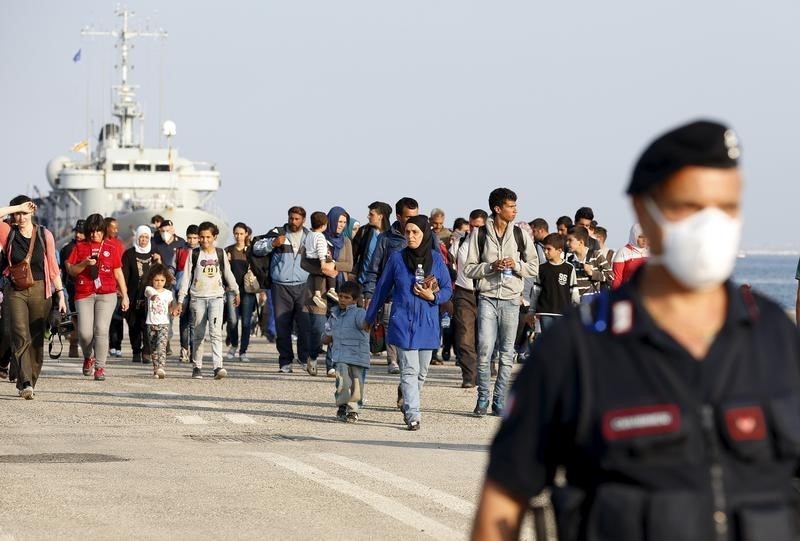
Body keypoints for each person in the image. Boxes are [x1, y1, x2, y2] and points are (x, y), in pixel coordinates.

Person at [472, 119, 800, 540]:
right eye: (689, 206)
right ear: (645, 210)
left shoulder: (771, 335)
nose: (711, 223)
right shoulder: (580, 348)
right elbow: (503, 500)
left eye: (727, 206)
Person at [364, 215, 452, 430]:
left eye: (416, 233)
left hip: (428, 323)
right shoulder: (396, 259)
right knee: (409, 371)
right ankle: (413, 415)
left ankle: (408, 398)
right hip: (402, 322)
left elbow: (448, 289)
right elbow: (382, 289)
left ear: (425, 234)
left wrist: (434, 298)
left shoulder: (436, 259)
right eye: (408, 232)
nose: (411, 236)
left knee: (422, 372)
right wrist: (369, 317)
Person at [463, 188, 539, 417]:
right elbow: (468, 269)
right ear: (498, 209)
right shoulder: (479, 235)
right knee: (485, 350)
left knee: (507, 353)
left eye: (515, 206)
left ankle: (499, 400)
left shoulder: (521, 235)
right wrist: (490, 267)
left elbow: (534, 267)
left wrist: (515, 265)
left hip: (511, 299)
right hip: (486, 298)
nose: (515, 210)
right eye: (511, 206)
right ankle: (482, 398)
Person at [0, 197, 66, 398]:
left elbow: (53, 267)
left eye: (24, 213)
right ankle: (25, 382)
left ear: (32, 213)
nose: (19, 217)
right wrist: (17, 207)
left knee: (37, 338)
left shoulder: (45, 234)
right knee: (20, 334)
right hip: (15, 290)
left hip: (40, 289)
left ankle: (30, 379)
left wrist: (60, 294)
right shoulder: (8, 233)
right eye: (17, 214)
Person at [65, 213, 129, 381]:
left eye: (98, 231)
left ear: (103, 231)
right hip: (84, 293)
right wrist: (84, 263)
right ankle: (88, 357)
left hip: (107, 293)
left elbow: (118, 271)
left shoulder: (111, 247)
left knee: (101, 330)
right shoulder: (79, 247)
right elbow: (71, 270)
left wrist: (125, 294)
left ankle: (100, 367)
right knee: (85, 333)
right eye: (91, 231)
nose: (94, 234)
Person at [363, 197, 420, 375]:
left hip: (419, 295)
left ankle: (411, 363)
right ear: (399, 216)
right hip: (392, 295)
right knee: (390, 324)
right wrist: (369, 293)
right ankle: (393, 360)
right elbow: (374, 268)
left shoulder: (425, 235)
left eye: (416, 216)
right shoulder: (385, 238)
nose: (413, 220)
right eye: (409, 216)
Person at [174, 221, 238, 380]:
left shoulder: (220, 253)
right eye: (201, 237)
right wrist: (181, 300)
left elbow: (228, 274)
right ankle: (197, 366)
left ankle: (218, 366)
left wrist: (236, 290)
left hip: (216, 297)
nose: (204, 240)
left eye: (208, 237)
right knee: (199, 334)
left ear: (214, 237)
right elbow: (186, 277)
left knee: (216, 333)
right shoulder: (193, 254)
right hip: (197, 298)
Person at [254, 206, 311, 373]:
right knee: (282, 327)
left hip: (304, 286)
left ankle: (303, 358)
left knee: (304, 325)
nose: (293, 222)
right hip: (280, 286)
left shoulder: (310, 237)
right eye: (291, 218)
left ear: (303, 220)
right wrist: (272, 243)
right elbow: (257, 248)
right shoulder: (277, 232)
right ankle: (285, 362)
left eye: (297, 219)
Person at [302, 206, 353, 377]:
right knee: (317, 330)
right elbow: (305, 263)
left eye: (344, 222)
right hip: (318, 292)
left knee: (336, 330)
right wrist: (323, 270)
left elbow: (349, 265)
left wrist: (334, 266)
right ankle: (313, 356)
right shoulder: (317, 237)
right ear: (330, 221)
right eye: (339, 221)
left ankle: (331, 365)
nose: (341, 225)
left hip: (340, 291)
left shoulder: (346, 241)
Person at [322, 281, 370, 422]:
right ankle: (342, 405)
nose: (342, 300)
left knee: (357, 384)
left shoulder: (359, 313)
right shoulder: (334, 314)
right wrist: (325, 338)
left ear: (355, 300)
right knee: (342, 382)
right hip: (340, 355)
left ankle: (353, 409)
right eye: (341, 296)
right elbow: (327, 334)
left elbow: (364, 325)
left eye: (347, 297)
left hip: (357, 355)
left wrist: (370, 320)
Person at [451, 209, 487, 388]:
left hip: (486, 292)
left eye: (478, 226)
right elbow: (451, 263)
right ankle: (469, 375)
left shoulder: (491, 243)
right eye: (471, 226)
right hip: (464, 292)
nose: (474, 230)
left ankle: (485, 372)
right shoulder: (460, 241)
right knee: (464, 335)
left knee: (486, 336)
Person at [121, 225, 159, 363]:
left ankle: (147, 351)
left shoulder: (154, 253)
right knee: (134, 325)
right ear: (137, 237)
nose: (143, 240)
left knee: (148, 325)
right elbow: (124, 276)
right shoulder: (129, 254)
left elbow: (162, 273)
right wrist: (123, 294)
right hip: (132, 296)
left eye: (146, 237)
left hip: (150, 298)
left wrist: (158, 261)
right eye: (141, 237)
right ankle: (136, 350)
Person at [531, 233, 579, 332]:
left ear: (559, 251)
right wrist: (531, 311)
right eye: (544, 248)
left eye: (549, 249)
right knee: (548, 342)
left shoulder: (569, 268)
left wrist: (576, 310)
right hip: (545, 313)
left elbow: (573, 291)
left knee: (562, 342)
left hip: (564, 313)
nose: (545, 251)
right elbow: (536, 291)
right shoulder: (541, 268)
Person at [224, 222, 256, 363]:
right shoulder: (228, 251)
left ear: (246, 234)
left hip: (248, 291)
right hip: (231, 289)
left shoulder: (251, 251)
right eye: (236, 233)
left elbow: (258, 270)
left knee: (246, 323)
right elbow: (222, 270)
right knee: (232, 320)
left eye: (241, 233)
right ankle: (234, 345)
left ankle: (243, 351)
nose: (238, 236)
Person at [59, 219, 85, 358]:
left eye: (81, 232)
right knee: (72, 317)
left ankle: (85, 345)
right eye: (77, 232)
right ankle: (73, 345)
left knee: (85, 319)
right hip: (71, 286)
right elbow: (64, 269)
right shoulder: (68, 248)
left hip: (87, 287)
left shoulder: (90, 247)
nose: (79, 235)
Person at [143, 263, 174, 379]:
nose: (159, 282)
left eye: (162, 280)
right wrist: (153, 296)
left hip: (164, 323)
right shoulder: (149, 289)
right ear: (152, 280)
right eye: (156, 280)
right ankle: (156, 369)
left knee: (161, 346)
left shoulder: (168, 293)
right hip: (151, 323)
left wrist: (173, 311)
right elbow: (149, 294)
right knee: (153, 349)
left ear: (166, 280)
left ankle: (161, 368)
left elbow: (171, 305)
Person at [565, 225, 613, 300]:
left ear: (580, 242)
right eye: (567, 240)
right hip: (575, 305)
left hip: (592, 304)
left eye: (570, 240)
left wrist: (592, 273)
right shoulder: (569, 260)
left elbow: (610, 277)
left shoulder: (596, 255)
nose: (567, 243)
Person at [304, 212, 338, 308]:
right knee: (331, 268)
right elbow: (321, 249)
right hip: (319, 259)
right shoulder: (320, 236)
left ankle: (317, 294)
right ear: (323, 226)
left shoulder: (310, 235)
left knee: (318, 275)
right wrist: (323, 262)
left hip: (310, 259)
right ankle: (332, 289)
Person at [176, 224, 199, 362]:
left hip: (196, 291)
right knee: (183, 322)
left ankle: (193, 351)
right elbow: (173, 267)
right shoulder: (180, 251)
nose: (192, 240)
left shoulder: (202, 251)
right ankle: (184, 349)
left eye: (195, 238)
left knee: (193, 323)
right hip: (182, 291)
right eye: (189, 238)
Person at [105, 216, 125, 358]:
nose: (116, 230)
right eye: (114, 227)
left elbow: (120, 268)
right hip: (103, 286)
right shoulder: (100, 243)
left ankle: (117, 344)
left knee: (118, 318)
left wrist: (122, 288)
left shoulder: (118, 244)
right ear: (106, 228)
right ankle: (109, 344)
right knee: (107, 319)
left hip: (116, 286)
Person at [612, 223, 649, 289]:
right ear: (634, 236)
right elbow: (617, 279)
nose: (644, 240)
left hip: (648, 294)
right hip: (629, 293)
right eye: (641, 236)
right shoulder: (623, 252)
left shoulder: (651, 251)